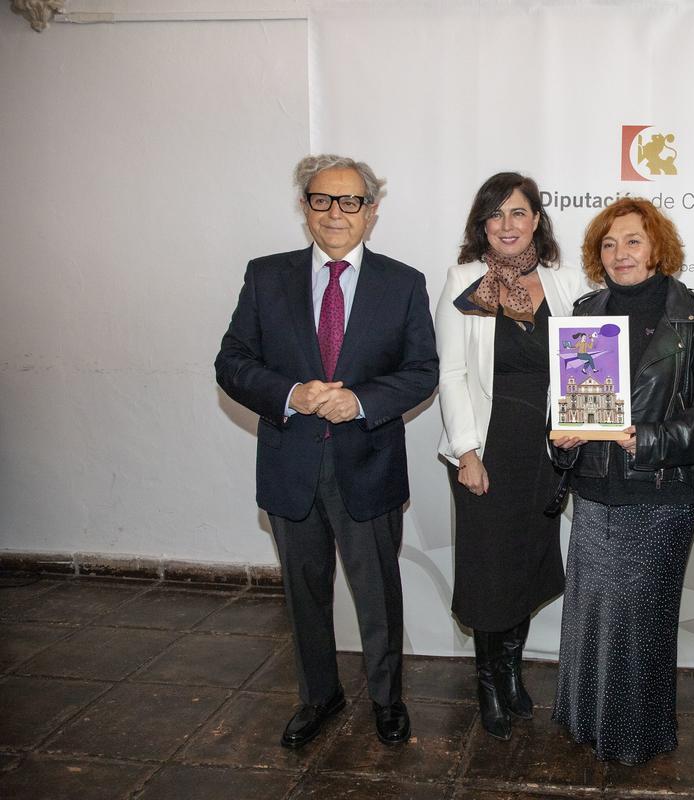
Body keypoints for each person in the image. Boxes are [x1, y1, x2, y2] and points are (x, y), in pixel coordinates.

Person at [215, 154, 437, 749]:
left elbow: (422, 373)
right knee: (303, 592)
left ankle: (388, 700)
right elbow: (232, 363)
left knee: (377, 594)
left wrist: (360, 401)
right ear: (305, 207)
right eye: (321, 200)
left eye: (350, 201)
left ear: (371, 211)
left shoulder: (403, 282)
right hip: (292, 466)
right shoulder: (266, 277)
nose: (335, 213)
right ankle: (320, 696)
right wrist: (292, 393)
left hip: (367, 466)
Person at [552, 197, 694, 765]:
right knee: (590, 613)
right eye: (609, 244)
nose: (620, 254)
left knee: (642, 621)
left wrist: (647, 438)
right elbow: (567, 400)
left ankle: (637, 737)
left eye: (632, 241)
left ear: (656, 246)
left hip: (663, 490)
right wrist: (559, 433)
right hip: (596, 487)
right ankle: (587, 724)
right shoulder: (586, 311)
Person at [435, 172, 591, 741]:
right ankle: (487, 682)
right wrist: (466, 453)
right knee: (488, 565)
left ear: (536, 221)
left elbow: (587, 362)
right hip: (486, 446)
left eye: (518, 213)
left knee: (528, 559)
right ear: (483, 225)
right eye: (495, 215)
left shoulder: (567, 282)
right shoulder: (463, 281)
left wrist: (580, 427)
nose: (507, 225)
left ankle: (511, 670)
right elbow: (451, 374)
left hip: (544, 447)